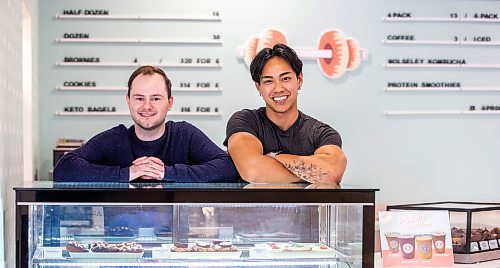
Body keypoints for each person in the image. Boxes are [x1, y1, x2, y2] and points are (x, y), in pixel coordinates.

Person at [54, 65, 238, 182]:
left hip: (177, 239)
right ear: (128, 101)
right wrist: (127, 173)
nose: (147, 106)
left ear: (170, 102)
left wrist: (166, 172)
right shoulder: (115, 138)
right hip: (117, 240)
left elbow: (227, 167)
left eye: (156, 98)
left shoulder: (184, 134)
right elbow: (64, 168)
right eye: (139, 98)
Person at [224, 44, 347, 184]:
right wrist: (312, 176)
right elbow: (253, 171)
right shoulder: (245, 122)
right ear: (259, 87)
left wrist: (274, 157)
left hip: (305, 207)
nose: (278, 88)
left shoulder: (321, 134)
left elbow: (333, 171)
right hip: (253, 206)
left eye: (286, 78)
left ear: (299, 80)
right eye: (268, 81)